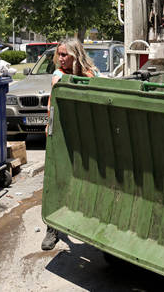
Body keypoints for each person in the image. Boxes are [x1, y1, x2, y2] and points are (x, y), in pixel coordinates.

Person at [41, 38, 99, 251]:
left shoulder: (91, 73)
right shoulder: (59, 75)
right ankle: (52, 227)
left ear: (76, 55)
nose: (60, 58)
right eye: (59, 54)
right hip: (61, 133)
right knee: (56, 179)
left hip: (86, 134)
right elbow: (59, 90)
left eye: (65, 54)